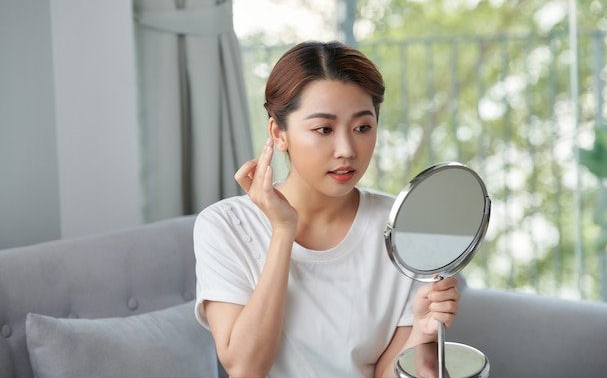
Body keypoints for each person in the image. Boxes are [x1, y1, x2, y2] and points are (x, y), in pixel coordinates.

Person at [194, 41, 460, 378]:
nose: (347, 149)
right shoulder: (225, 226)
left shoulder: (403, 228)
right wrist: (282, 232)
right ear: (279, 133)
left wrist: (420, 334)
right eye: (324, 129)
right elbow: (246, 368)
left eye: (362, 127)